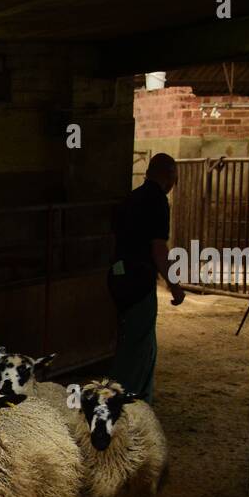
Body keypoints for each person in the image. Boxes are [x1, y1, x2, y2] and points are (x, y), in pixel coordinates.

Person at [106, 153, 186, 402]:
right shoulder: (157, 202)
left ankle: (134, 396)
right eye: (174, 177)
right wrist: (174, 284)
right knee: (138, 345)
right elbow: (158, 248)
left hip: (119, 277)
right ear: (169, 176)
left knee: (133, 338)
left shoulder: (131, 198)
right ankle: (122, 399)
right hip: (139, 280)